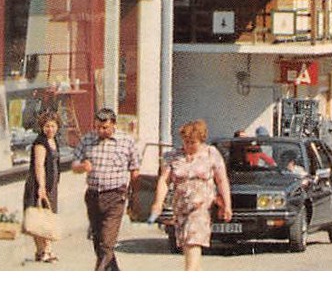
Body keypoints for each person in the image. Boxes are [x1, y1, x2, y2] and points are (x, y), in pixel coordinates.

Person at [148, 119, 231, 272]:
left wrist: (227, 205)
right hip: (181, 208)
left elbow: (222, 180)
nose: (188, 146)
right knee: (187, 245)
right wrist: (158, 203)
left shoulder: (211, 153)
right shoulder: (173, 156)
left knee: (194, 241)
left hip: (201, 208)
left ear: (201, 139)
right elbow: (164, 181)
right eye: (186, 142)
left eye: (193, 142)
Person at [71, 107, 142, 271]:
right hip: (93, 196)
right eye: (98, 127)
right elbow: (74, 165)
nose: (101, 131)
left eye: (105, 128)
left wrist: (134, 195)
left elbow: (135, 169)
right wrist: (82, 166)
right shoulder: (88, 140)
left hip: (115, 196)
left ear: (114, 125)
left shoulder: (126, 141)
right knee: (98, 239)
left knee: (107, 242)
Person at [23, 111, 62, 263]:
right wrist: (41, 187)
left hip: (51, 186)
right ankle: (43, 251)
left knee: (48, 217)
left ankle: (46, 251)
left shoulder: (54, 141)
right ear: (42, 127)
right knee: (39, 218)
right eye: (47, 126)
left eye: (53, 126)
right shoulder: (40, 143)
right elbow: (39, 166)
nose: (50, 129)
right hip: (40, 184)